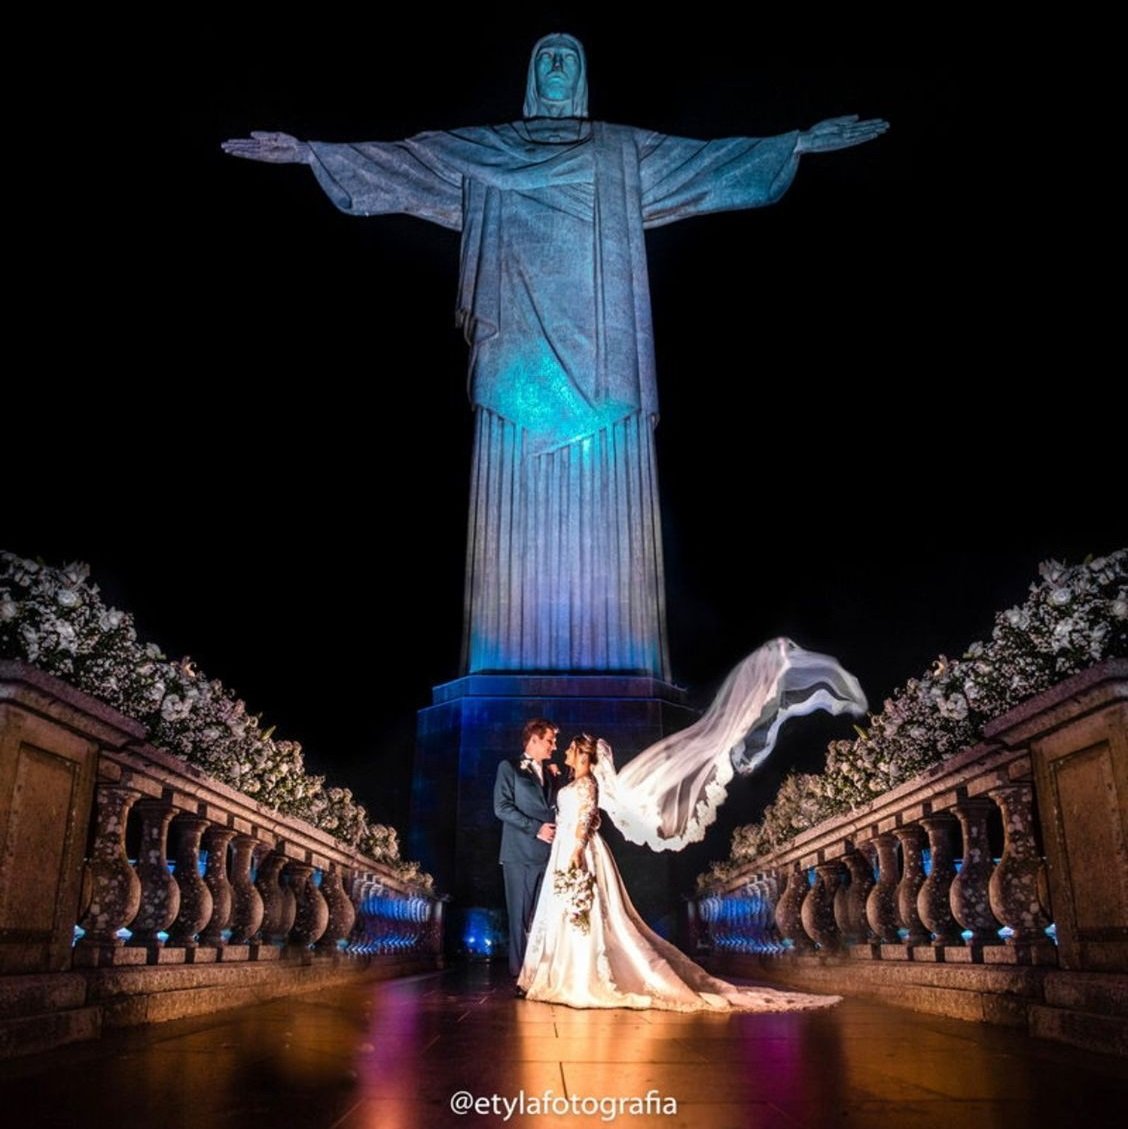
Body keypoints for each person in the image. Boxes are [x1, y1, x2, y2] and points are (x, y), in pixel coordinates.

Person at [222, 34, 888, 682]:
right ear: (534, 74)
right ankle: (507, 655)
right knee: (512, 506)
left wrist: (793, 144)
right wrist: (313, 154)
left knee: (608, 497)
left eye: (571, 57)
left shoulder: (621, 150)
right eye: (550, 58)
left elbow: (706, 165)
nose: (560, 68)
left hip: (605, 356)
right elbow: (404, 164)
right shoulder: (489, 150)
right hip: (517, 355)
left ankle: (617, 656)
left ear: (584, 74)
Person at [518, 733, 837, 1011]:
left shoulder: (588, 783)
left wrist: (575, 850)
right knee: (567, 910)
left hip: (578, 849)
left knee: (588, 909)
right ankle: (564, 969)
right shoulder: (574, 781)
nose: (564, 752)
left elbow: (587, 817)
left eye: (570, 748)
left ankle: (584, 976)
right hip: (563, 848)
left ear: (584, 755)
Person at [493, 718, 559, 982]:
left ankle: (543, 972)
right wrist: (536, 828)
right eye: (549, 740)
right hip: (519, 854)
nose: (554, 746)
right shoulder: (509, 767)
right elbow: (502, 807)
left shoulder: (552, 772)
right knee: (520, 917)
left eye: (554, 741)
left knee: (545, 916)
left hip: (550, 855)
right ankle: (520, 974)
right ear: (533, 740)